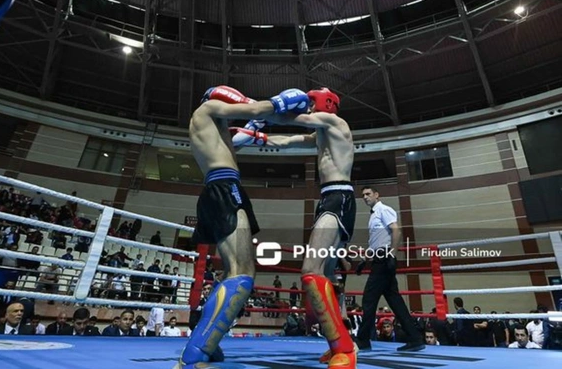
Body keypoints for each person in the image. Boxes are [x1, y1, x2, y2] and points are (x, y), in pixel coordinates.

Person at [174, 85, 309, 369]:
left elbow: (239, 139)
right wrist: (282, 101)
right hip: (225, 187)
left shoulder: (210, 126)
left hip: (219, 188)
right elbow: (259, 109)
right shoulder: (208, 109)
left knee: (231, 272)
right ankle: (195, 352)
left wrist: (260, 125)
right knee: (242, 272)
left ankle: (207, 342)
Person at [232, 87, 357, 368]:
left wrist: (256, 107)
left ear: (326, 103)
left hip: (339, 197)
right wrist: (258, 136)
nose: (310, 106)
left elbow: (293, 121)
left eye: (313, 102)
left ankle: (346, 351)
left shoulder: (337, 123)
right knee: (324, 273)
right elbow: (289, 141)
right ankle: (339, 343)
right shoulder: (321, 134)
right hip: (329, 199)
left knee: (310, 270)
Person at [355, 186, 424, 352]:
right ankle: (415, 338)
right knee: (395, 301)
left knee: (368, 299)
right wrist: (364, 259)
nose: (365, 197)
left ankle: (363, 339)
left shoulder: (384, 210)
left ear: (377, 195)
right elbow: (376, 241)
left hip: (384, 261)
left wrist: (392, 254)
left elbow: (396, 231)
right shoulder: (373, 216)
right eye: (363, 195)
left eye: (368, 194)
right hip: (379, 259)